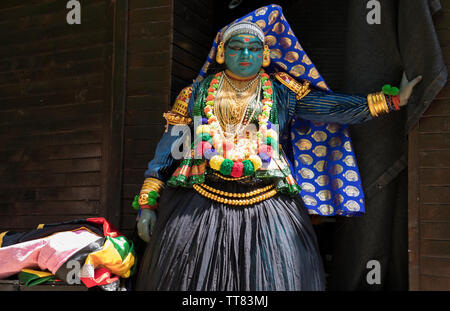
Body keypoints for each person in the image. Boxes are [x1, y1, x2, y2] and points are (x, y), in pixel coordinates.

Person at [133, 5, 421, 291]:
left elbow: (329, 108)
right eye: (236, 48)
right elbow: (170, 147)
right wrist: (147, 202)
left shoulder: (282, 90)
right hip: (197, 203)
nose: (245, 55)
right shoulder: (194, 93)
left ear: (265, 53)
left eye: (253, 48)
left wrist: (391, 101)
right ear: (222, 53)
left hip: (268, 199)